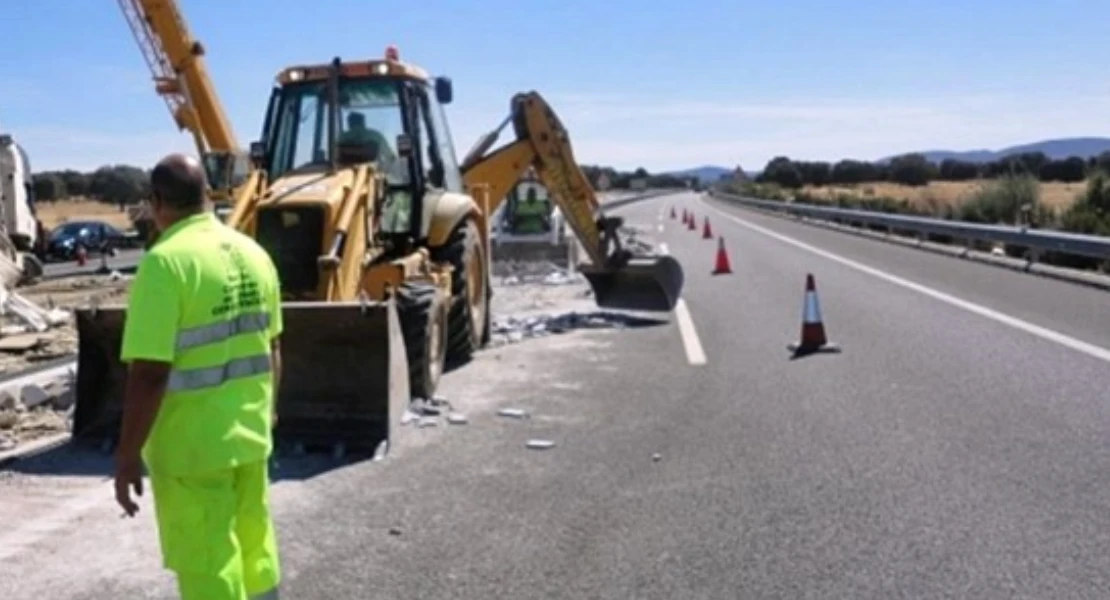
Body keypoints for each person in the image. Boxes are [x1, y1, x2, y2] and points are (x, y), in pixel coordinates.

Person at [113, 153, 285, 600]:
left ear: (155, 202)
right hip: (249, 436)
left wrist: (127, 454)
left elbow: (150, 373)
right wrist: (268, 415)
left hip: (192, 450)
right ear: (207, 195)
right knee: (255, 547)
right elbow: (273, 346)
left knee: (209, 565)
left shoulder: (165, 263)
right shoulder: (255, 254)